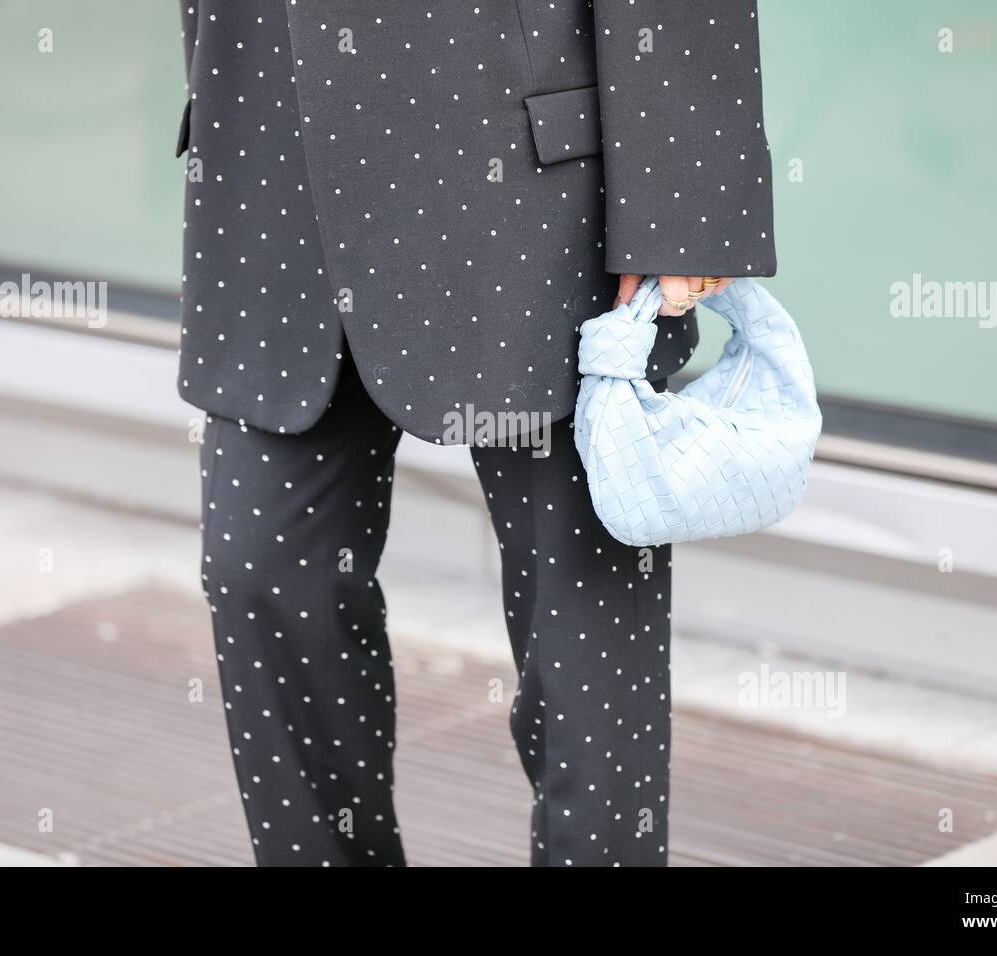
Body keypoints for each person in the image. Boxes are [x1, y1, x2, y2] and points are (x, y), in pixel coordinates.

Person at [176, 0, 775, 866]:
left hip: (534, 175)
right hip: (274, 148)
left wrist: (683, 197)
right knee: (258, 573)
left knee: (582, 644)